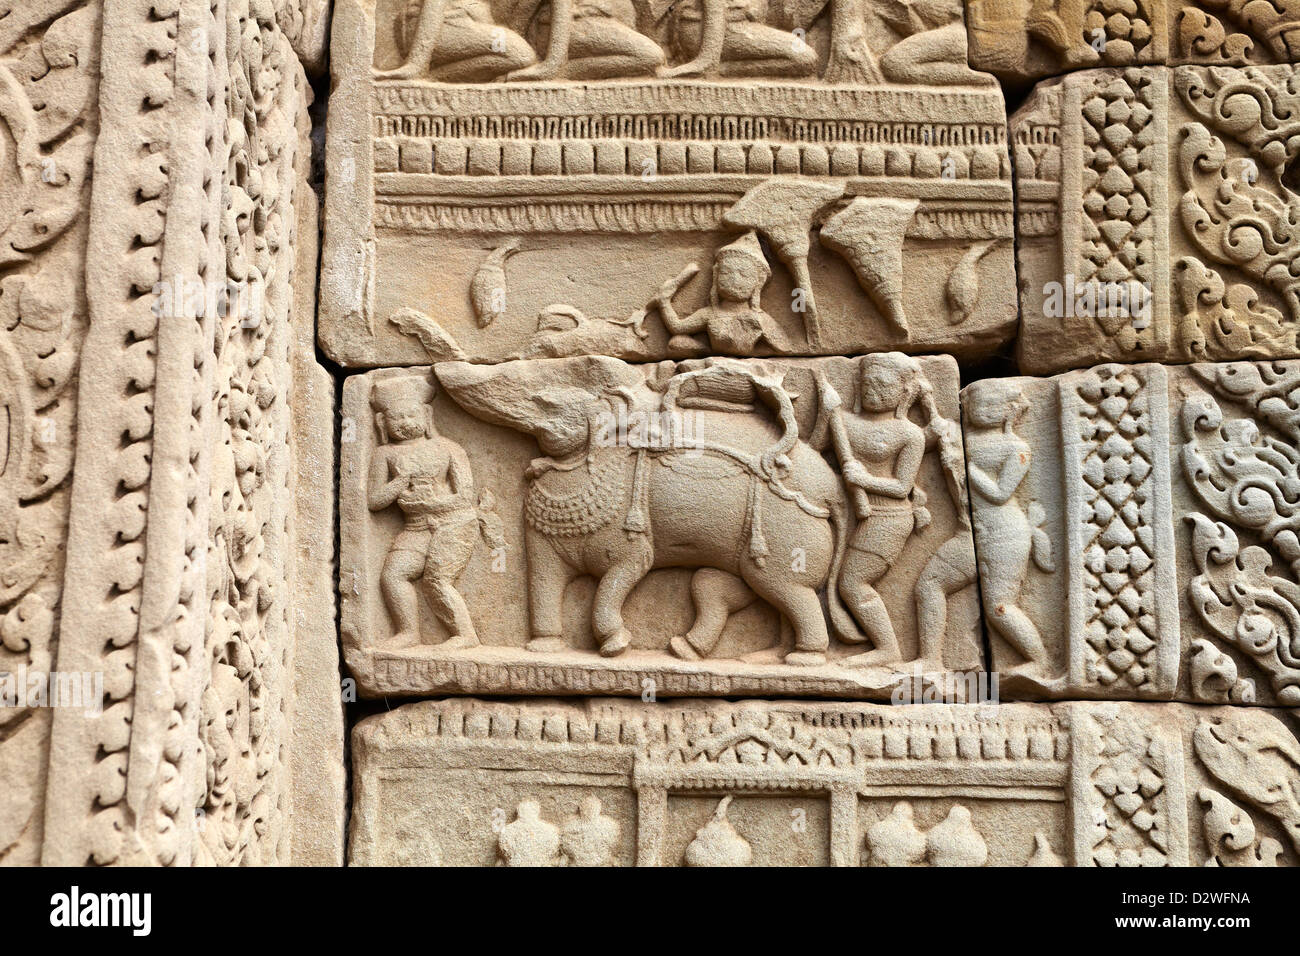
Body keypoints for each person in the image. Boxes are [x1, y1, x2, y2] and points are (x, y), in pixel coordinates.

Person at [368, 374, 494, 647]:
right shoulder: (385, 454)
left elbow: (465, 496)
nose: (405, 423)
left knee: (437, 580)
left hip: (454, 524)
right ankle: (408, 632)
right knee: (393, 575)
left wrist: (432, 503)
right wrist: (399, 483)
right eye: (396, 418)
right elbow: (375, 501)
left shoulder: (448, 449)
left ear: (426, 416)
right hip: (415, 527)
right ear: (383, 423)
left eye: (411, 415)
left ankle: (465, 635)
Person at [834, 354, 930, 666]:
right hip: (844, 512)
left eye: (883, 384)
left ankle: (888, 649)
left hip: (890, 517)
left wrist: (864, 479)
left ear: (904, 393)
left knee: (852, 582)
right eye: (866, 383)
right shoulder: (845, 421)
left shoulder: (909, 434)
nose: (872, 389)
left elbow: (902, 487)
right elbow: (816, 448)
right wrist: (827, 415)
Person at [964, 380, 1050, 676]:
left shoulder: (1017, 447)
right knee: (930, 583)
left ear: (1008, 411)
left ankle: (1038, 661)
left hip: (1005, 532)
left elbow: (1001, 493)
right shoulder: (963, 436)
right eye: (976, 405)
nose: (982, 411)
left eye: (991, 406)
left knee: (999, 606)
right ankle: (932, 659)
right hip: (973, 532)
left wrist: (968, 468)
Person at [655, 231, 791, 356]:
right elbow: (677, 327)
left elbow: (785, 347)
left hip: (747, 367)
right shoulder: (709, 314)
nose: (734, 280)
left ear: (758, 282)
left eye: (744, 275)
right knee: (677, 343)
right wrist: (664, 302)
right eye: (726, 273)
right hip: (712, 358)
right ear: (716, 276)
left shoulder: (760, 319)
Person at [502, 0, 666, 80]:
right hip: (564, 31)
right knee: (651, 56)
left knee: (651, 56)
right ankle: (566, 71)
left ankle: (567, 70)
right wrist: (552, 64)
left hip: (596, 25)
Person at [378, 0, 537, 81]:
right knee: (521, 53)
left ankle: (435, 76)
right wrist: (417, 62)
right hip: (436, 26)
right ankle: (425, 73)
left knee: (517, 53)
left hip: (463, 24)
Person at [661, 0, 819, 78]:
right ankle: (719, 70)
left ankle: (723, 69)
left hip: (735, 27)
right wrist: (708, 58)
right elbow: (714, 6)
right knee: (804, 57)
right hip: (707, 31)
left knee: (804, 56)